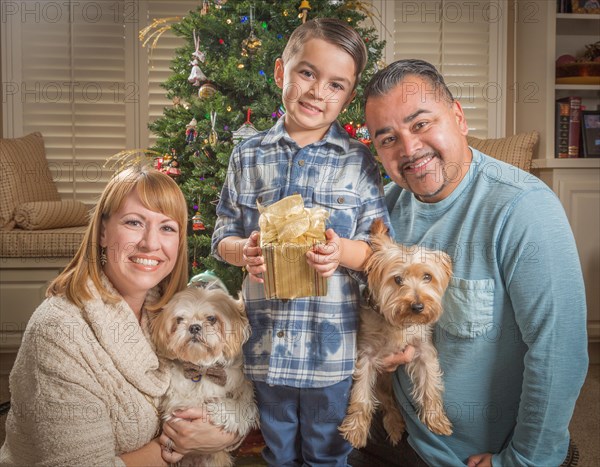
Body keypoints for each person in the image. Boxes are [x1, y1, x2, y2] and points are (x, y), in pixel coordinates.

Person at [351, 59, 588, 466]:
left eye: (421, 124)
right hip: (402, 426)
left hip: (476, 454)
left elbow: (559, 352)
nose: (409, 149)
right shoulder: (385, 211)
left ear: (458, 117)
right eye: (388, 138)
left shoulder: (523, 210)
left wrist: (521, 462)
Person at [211, 18, 392, 466]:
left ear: (348, 98)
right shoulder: (247, 154)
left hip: (329, 350)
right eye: (307, 73)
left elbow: (378, 250)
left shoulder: (359, 162)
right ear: (281, 72)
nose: (317, 92)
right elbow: (223, 233)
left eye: (336, 85)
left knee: (327, 453)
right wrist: (242, 250)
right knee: (277, 450)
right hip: (265, 346)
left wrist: (341, 253)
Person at [0, 165, 240, 466]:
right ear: (102, 232)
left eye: (167, 228)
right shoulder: (59, 331)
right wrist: (177, 446)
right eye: (134, 222)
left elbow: (227, 394)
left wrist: (225, 434)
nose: (150, 243)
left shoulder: (169, 314)